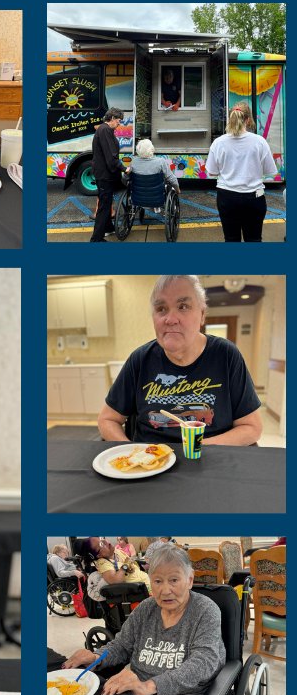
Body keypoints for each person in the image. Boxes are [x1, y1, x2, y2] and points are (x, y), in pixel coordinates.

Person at [62, 544, 226, 695]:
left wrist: (150, 685)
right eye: (157, 581)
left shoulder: (205, 611)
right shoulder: (146, 608)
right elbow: (121, 645)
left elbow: (204, 662)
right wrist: (96, 656)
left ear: (189, 580)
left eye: (174, 580)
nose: (165, 590)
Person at [98, 275, 263, 445]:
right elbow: (107, 420)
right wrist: (133, 454)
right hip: (152, 463)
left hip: (211, 460)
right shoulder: (140, 359)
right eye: (161, 309)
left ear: (202, 315)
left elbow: (251, 428)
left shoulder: (226, 355)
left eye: (183, 306)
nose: (170, 319)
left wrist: (195, 446)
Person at [206, 105, 278, 242]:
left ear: (230, 119)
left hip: (227, 198)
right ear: (248, 120)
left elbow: (212, 171)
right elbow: (270, 171)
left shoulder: (218, 143)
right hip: (254, 198)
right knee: (254, 239)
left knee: (231, 239)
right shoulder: (260, 142)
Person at [90, 107, 124, 242]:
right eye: (119, 120)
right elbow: (111, 156)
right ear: (113, 118)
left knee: (107, 202)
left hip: (104, 174)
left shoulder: (105, 130)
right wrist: (123, 168)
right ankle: (96, 239)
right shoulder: (105, 130)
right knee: (104, 207)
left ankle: (108, 227)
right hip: (104, 175)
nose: (119, 123)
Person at [81, 536, 150, 589]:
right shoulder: (103, 563)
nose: (108, 543)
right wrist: (125, 566)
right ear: (99, 555)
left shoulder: (116, 552)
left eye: (102, 540)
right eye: (101, 544)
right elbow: (115, 580)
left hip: (148, 582)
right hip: (145, 590)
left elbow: (132, 561)